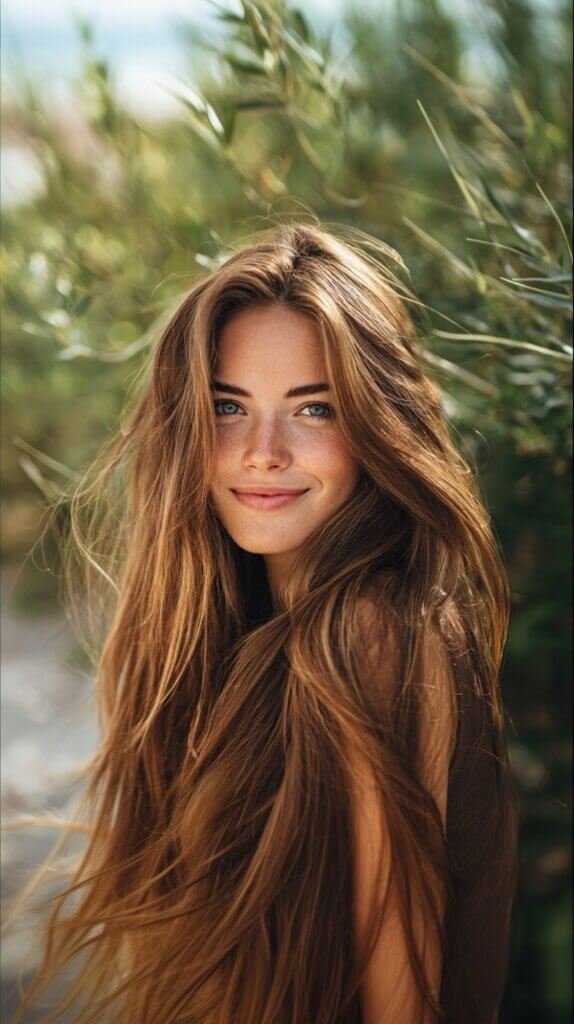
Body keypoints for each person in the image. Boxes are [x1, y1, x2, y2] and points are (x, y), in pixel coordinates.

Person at [16, 221, 520, 1023]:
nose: (263, 451)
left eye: (313, 408)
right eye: (229, 407)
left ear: (376, 425)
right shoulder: (244, 628)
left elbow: (407, 1003)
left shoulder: (372, 630)